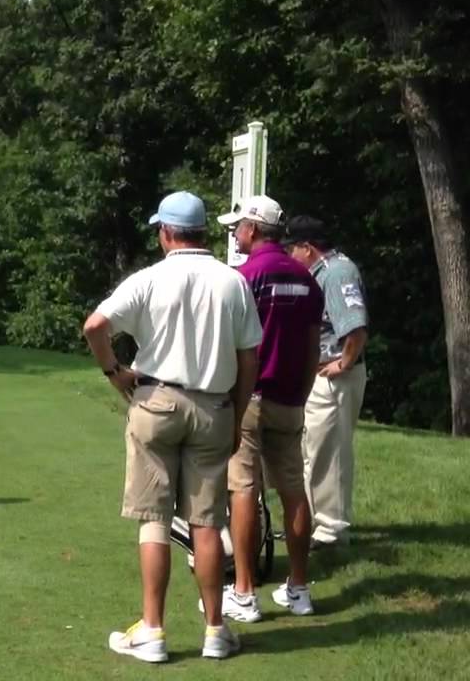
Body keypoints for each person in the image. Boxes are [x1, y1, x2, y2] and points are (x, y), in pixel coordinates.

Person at [83, 191, 262, 663]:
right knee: (206, 523)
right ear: (203, 232)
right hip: (213, 406)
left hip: (156, 401)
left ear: (165, 233)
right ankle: (215, 630)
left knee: (155, 519)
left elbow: (95, 325)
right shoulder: (232, 282)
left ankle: (154, 631)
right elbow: (249, 359)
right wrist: (237, 413)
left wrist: (114, 372)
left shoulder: (148, 279)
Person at [213, 196, 324, 621]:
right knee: (293, 489)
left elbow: (233, 345)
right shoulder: (306, 279)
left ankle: (243, 593)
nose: (234, 234)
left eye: (237, 227)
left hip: (251, 398)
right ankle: (298, 588)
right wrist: (303, 390)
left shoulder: (244, 278)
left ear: (254, 230)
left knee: (243, 488)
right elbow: (314, 346)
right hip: (292, 399)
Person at [285, 215, 368, 549]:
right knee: (315, 451)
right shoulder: (323, 271)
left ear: (308, 247)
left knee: (329, 453)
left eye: (291, 248)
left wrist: (343, 363)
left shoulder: (337, 273)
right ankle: (314, 524)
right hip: (320, 375)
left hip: (335, 378)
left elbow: (356, 327)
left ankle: (331, 530)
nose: (289, 255)